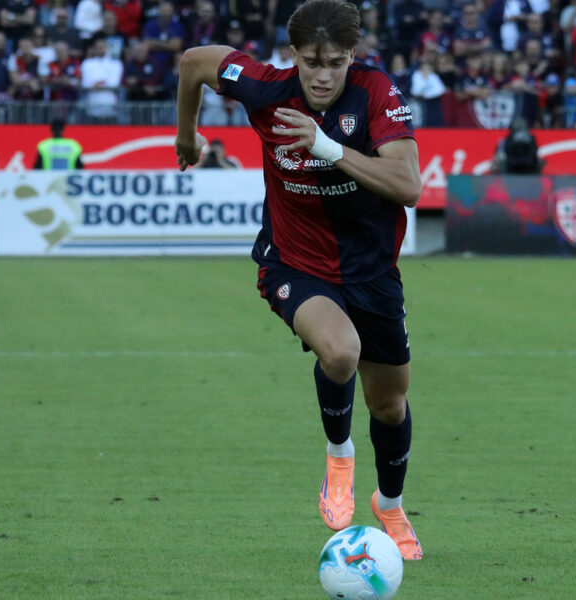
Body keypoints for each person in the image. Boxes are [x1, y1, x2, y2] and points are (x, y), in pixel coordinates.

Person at [174, 0, 423, 561]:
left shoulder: (376, 92)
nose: (323, 74)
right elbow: (193, 62)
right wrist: (188, 136)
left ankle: (390, 504)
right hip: (294, 263)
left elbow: (409, 185)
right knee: (340, 353)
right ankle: (339, 456)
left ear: (352, 57)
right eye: (312, 62)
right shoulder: (264, 86)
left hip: (373, 272)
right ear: (293, 57)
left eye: (335, 61)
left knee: (390, 403)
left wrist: (326, 147)